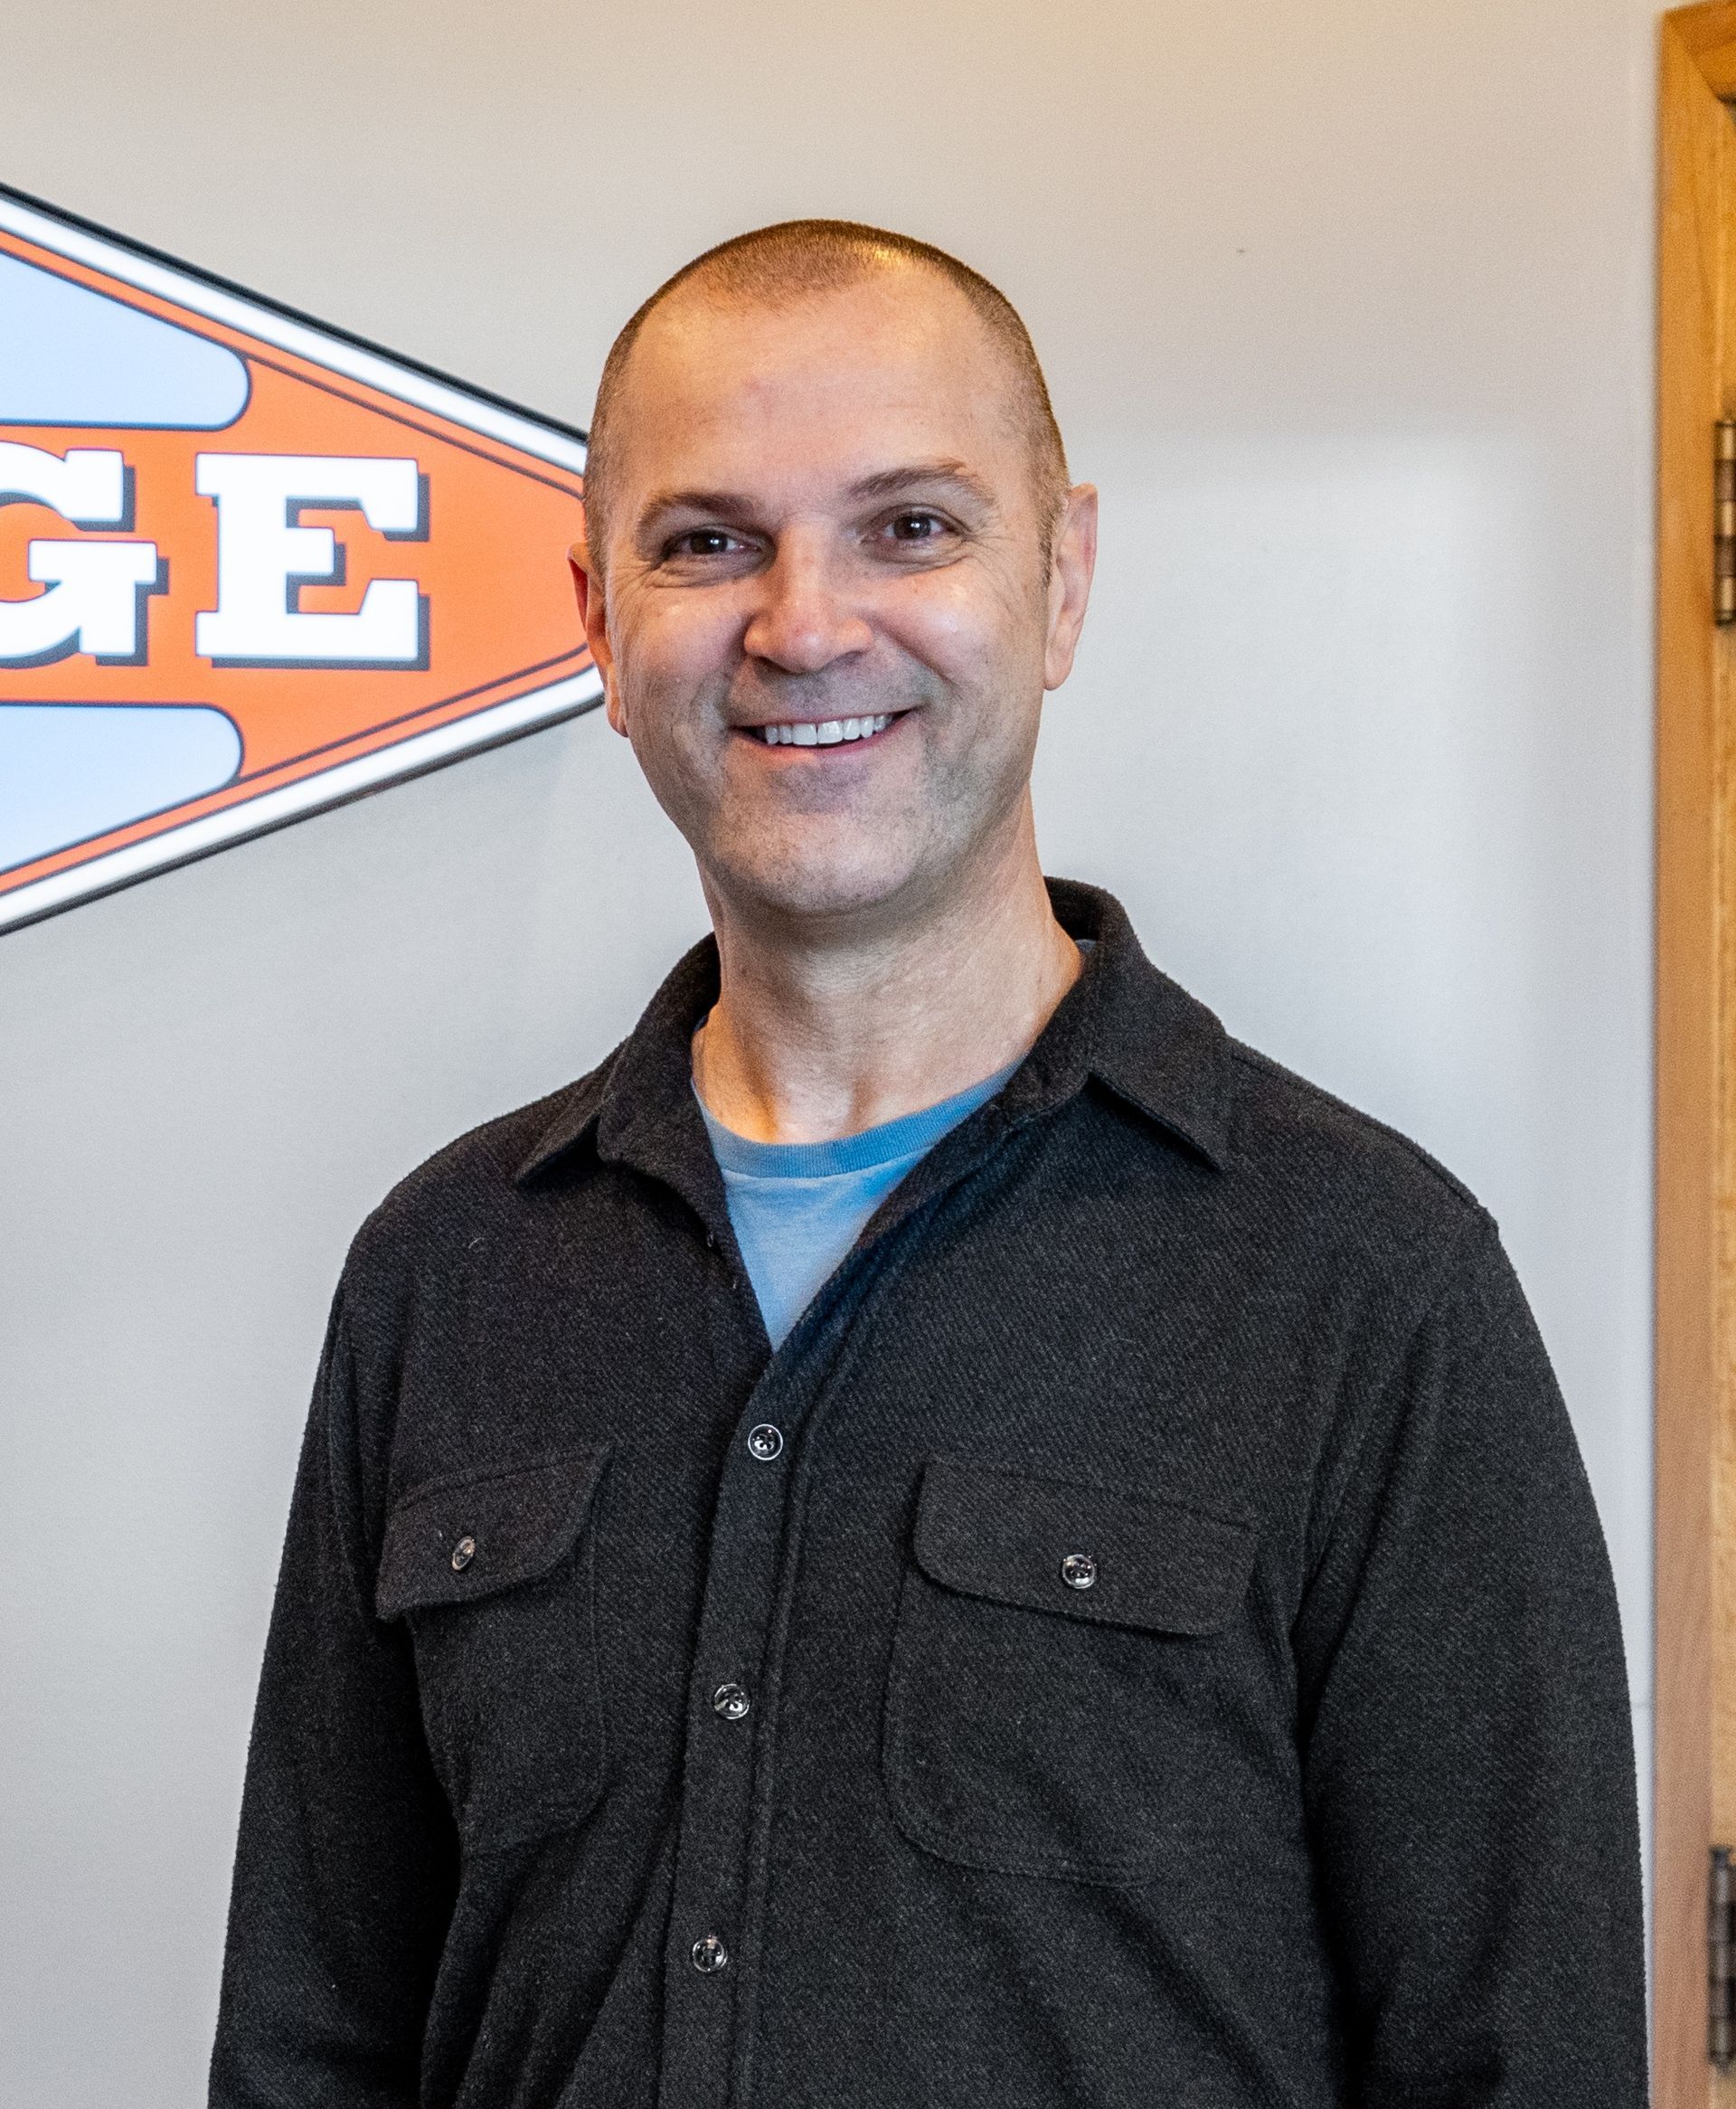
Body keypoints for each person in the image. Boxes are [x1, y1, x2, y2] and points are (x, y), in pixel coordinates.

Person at [208, 220, 1646, 2109]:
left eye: (912, 526)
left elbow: (1520, 2054)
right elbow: (314, 2041)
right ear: (598, 626)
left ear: (1061, 583)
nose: (804, 623)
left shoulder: (1368, 1280)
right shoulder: (445, 1269)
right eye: (708, 539)